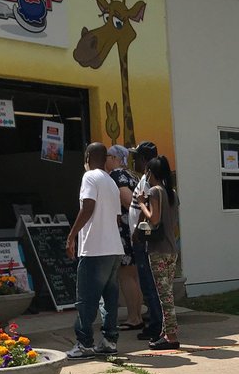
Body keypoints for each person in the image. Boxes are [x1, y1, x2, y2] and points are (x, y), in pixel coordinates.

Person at [64, 142, 124, 358]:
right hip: (114, 248)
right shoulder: (111, 182)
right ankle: (109, 340)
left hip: (95, 248)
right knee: (109, 298)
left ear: (88, 156)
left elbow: (87, 207)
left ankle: (84, 343)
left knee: (86, 299)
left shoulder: (89, 177)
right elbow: (117, 218)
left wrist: (72, 236)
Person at [136, 154, 181, 350]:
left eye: (147, 171)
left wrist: (141, 204)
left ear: (151, 173)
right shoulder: (171, 193)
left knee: (164, 296)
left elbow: (153, 220)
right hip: (172, 249)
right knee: (167, 292)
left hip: (158, 250)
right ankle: (165, 332)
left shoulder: (154, 191)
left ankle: (171, 336)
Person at [129, 141, 165, 343]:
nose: (133, 160)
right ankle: (158, 322)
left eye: (136, 156)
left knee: (148, 284)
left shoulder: (147, 180)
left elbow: (150, 209)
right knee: (151, 283)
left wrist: (137, 231)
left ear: (144, 159)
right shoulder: (152, 178)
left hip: (144, 240)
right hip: (147, 240)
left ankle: (156, 325)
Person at [105, 145, 144, 331]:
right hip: (135, 230)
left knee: (126, 275)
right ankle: (137, 315)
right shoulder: (132, 176)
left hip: (126, 231)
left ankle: (134, 317)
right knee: (134, 276)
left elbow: (129, 201)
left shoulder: (117, 177)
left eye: (107, 156)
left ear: (114, 158)